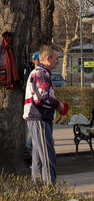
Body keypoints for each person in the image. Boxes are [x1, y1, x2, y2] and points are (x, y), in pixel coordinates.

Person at [23, 45, 66, 184]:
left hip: (36, 118)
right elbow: (42, 97)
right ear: (48, 59)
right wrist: (58, 105)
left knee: (38, 157)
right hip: (39, 118)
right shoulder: (42, 74)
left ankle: (38, 190)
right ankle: (49, 189)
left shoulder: (39, 73)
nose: (58, 62)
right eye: (56, 58)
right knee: (48, 156)